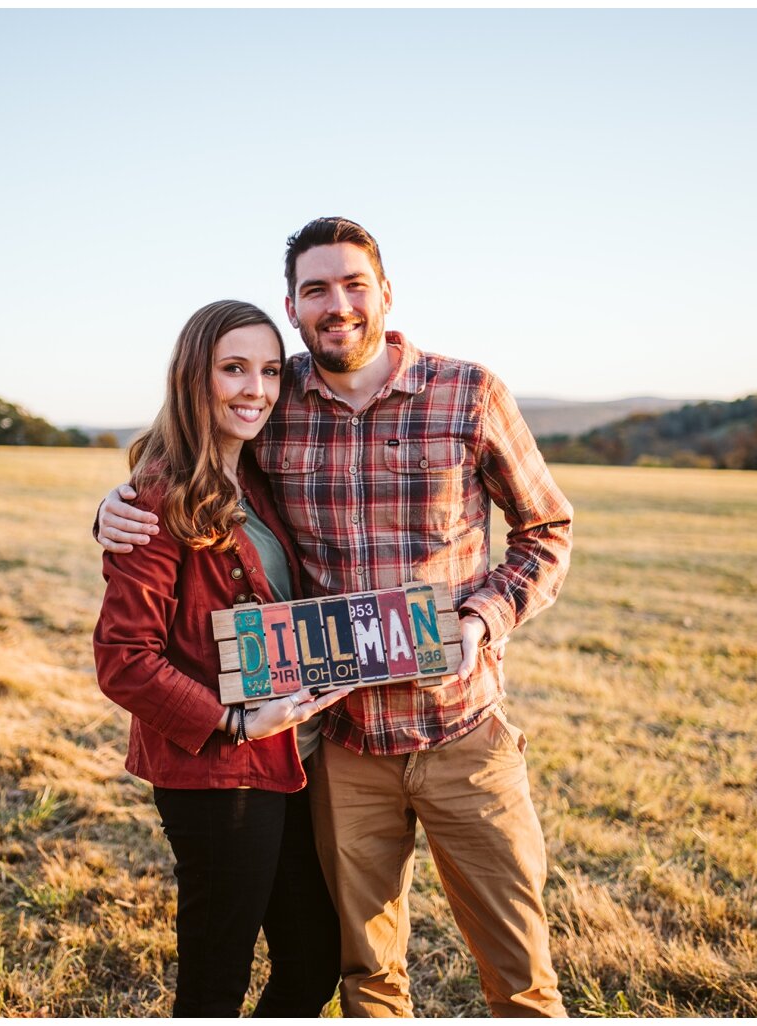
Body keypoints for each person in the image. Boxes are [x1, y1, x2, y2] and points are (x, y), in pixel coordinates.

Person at [97, 218, 574, 1017]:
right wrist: (115, 508)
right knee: (364, 977)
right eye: (316, 288)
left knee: (521, 977)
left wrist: (483, 620)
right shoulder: (275, 397)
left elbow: (546, 531)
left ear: (385, 293)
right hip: (342, 746)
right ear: (293, 304)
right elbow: (181, 460)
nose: (337, 303)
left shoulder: (468, 392)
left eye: (353, 283)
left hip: (463, 730)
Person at [93, 299, 351, 1017]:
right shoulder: (158, 494)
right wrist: (235, 721)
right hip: (216, 776)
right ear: (193, 377)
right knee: (215, 980)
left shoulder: (259, 482)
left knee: (312, 958)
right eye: (233, 368)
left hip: (286, 764)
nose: (256, 389)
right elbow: (123, 657)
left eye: (270, 371)